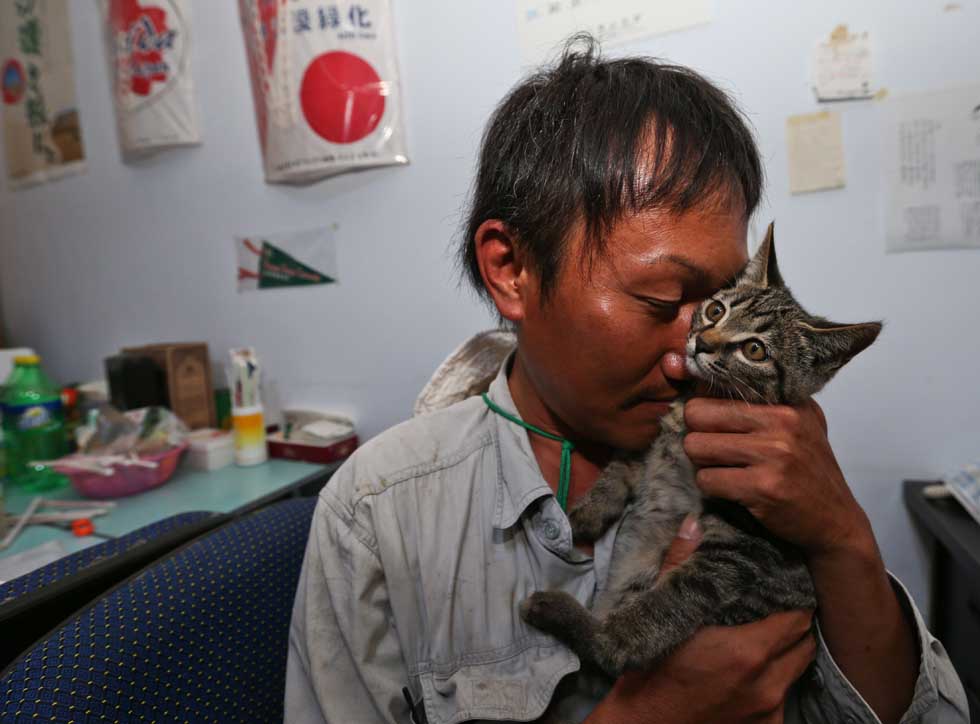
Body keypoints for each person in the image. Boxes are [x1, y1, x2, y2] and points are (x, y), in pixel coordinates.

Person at [285, 39, 969, 724]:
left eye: (718, 299)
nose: (690, 355)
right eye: (660, 300)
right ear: (511, 268)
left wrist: (843, 535)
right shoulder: (381, 513)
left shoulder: (764, 459)